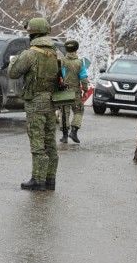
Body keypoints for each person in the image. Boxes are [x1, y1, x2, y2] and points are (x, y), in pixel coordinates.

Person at [8, 17, 59, 191]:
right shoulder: (55, 53)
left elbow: (13, 73)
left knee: (37, 139)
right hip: (52, 100)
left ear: (33, 34)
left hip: (36, 101)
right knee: (50, 140)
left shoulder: (30, 53)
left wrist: (14, 60)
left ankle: (38, 180)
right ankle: (50, 179)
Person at [59, 40, 89, 143]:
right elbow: (84, 78)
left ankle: (65, 136)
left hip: (64, 91)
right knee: (78, 111)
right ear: (76, 49)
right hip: (75, 91)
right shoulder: (80, 63)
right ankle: (74, 132)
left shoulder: (62, 61)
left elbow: (58, 76)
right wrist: (85, 90)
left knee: (64, 112)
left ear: (66, 49)